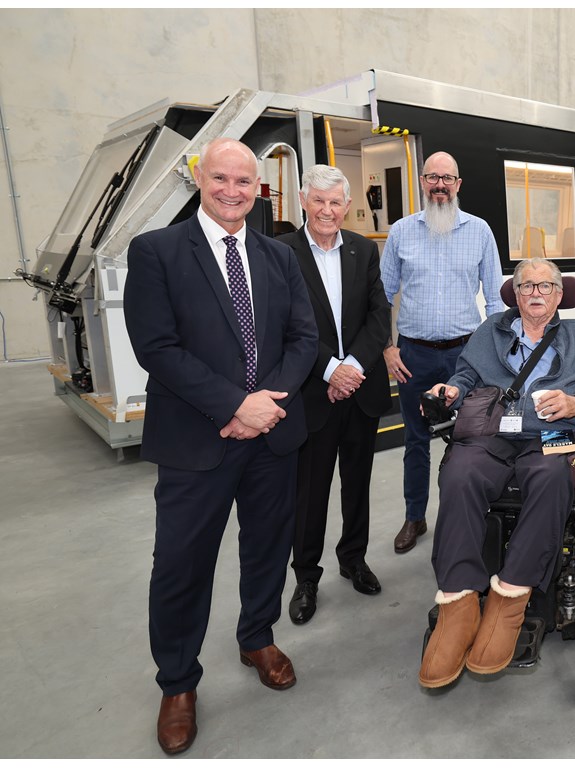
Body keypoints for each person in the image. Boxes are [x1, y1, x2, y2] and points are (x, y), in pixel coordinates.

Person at [123, 138, 317, 755]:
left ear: (258, 188)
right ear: (199, 181)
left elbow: (302, 338)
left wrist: (263, 408)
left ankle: (256, 635)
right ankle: (178, 682)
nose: (232, 190)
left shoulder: (277, 256)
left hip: (272, 436)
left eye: (244, 181)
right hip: (195, 440)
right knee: (181, 564)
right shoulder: (156, 251)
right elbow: (156, 347)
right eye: (220, 179)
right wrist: (235, 406)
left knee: (267, 545)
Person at [417, 257, 575, 688]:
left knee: (550, 478)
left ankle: (509, 598)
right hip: (492, 434)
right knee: (459, 472)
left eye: (546, 286)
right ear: (514, 293)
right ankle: (458, 602)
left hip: (554, 436)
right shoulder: (490, 331)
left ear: (558, 294)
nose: (535, 293)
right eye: (526, 286)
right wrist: (450, 392)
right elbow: (465, 376)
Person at [277, 165, 391, 621]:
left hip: (360, 389)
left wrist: (355, 366)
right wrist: (329, 369)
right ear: (303, 201)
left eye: (336, 202)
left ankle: (353, 558)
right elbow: (283, 323)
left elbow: (379, 314)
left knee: (358, 483)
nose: (327, 210)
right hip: (312, 392)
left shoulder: (364, 250)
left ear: (347, 206)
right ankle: (305, 576)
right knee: (310, 491)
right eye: (318, 201)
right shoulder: (281, 252)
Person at [380, 151, 504, 554]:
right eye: (432, 176)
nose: (440, 184)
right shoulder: (400, 232)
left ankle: (469, 515)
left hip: (465, 357)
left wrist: (495, 354)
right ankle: (415, 517)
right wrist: (387, 346)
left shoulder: (480, 231)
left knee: (471, 441)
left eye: (447, 178)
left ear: (458, 185)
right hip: (414, 356)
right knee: (415, 442)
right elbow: (381, 297)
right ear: (422, 181)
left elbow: (496, 301)